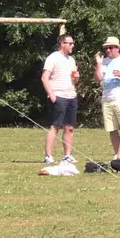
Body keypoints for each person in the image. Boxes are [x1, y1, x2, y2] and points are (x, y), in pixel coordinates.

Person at [41, 33, 80, 166]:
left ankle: (67, 155)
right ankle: (48, 156)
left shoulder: (71, 60)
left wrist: (76, 77)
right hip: (58, 95)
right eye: (70, 43)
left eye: (73, 43)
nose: (72, 45)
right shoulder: (53, 58)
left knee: (69, 127)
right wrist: (51, 94)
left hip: (71, 95)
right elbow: (44, 77)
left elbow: (74, 79)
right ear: (62, 44)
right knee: (55, 126)